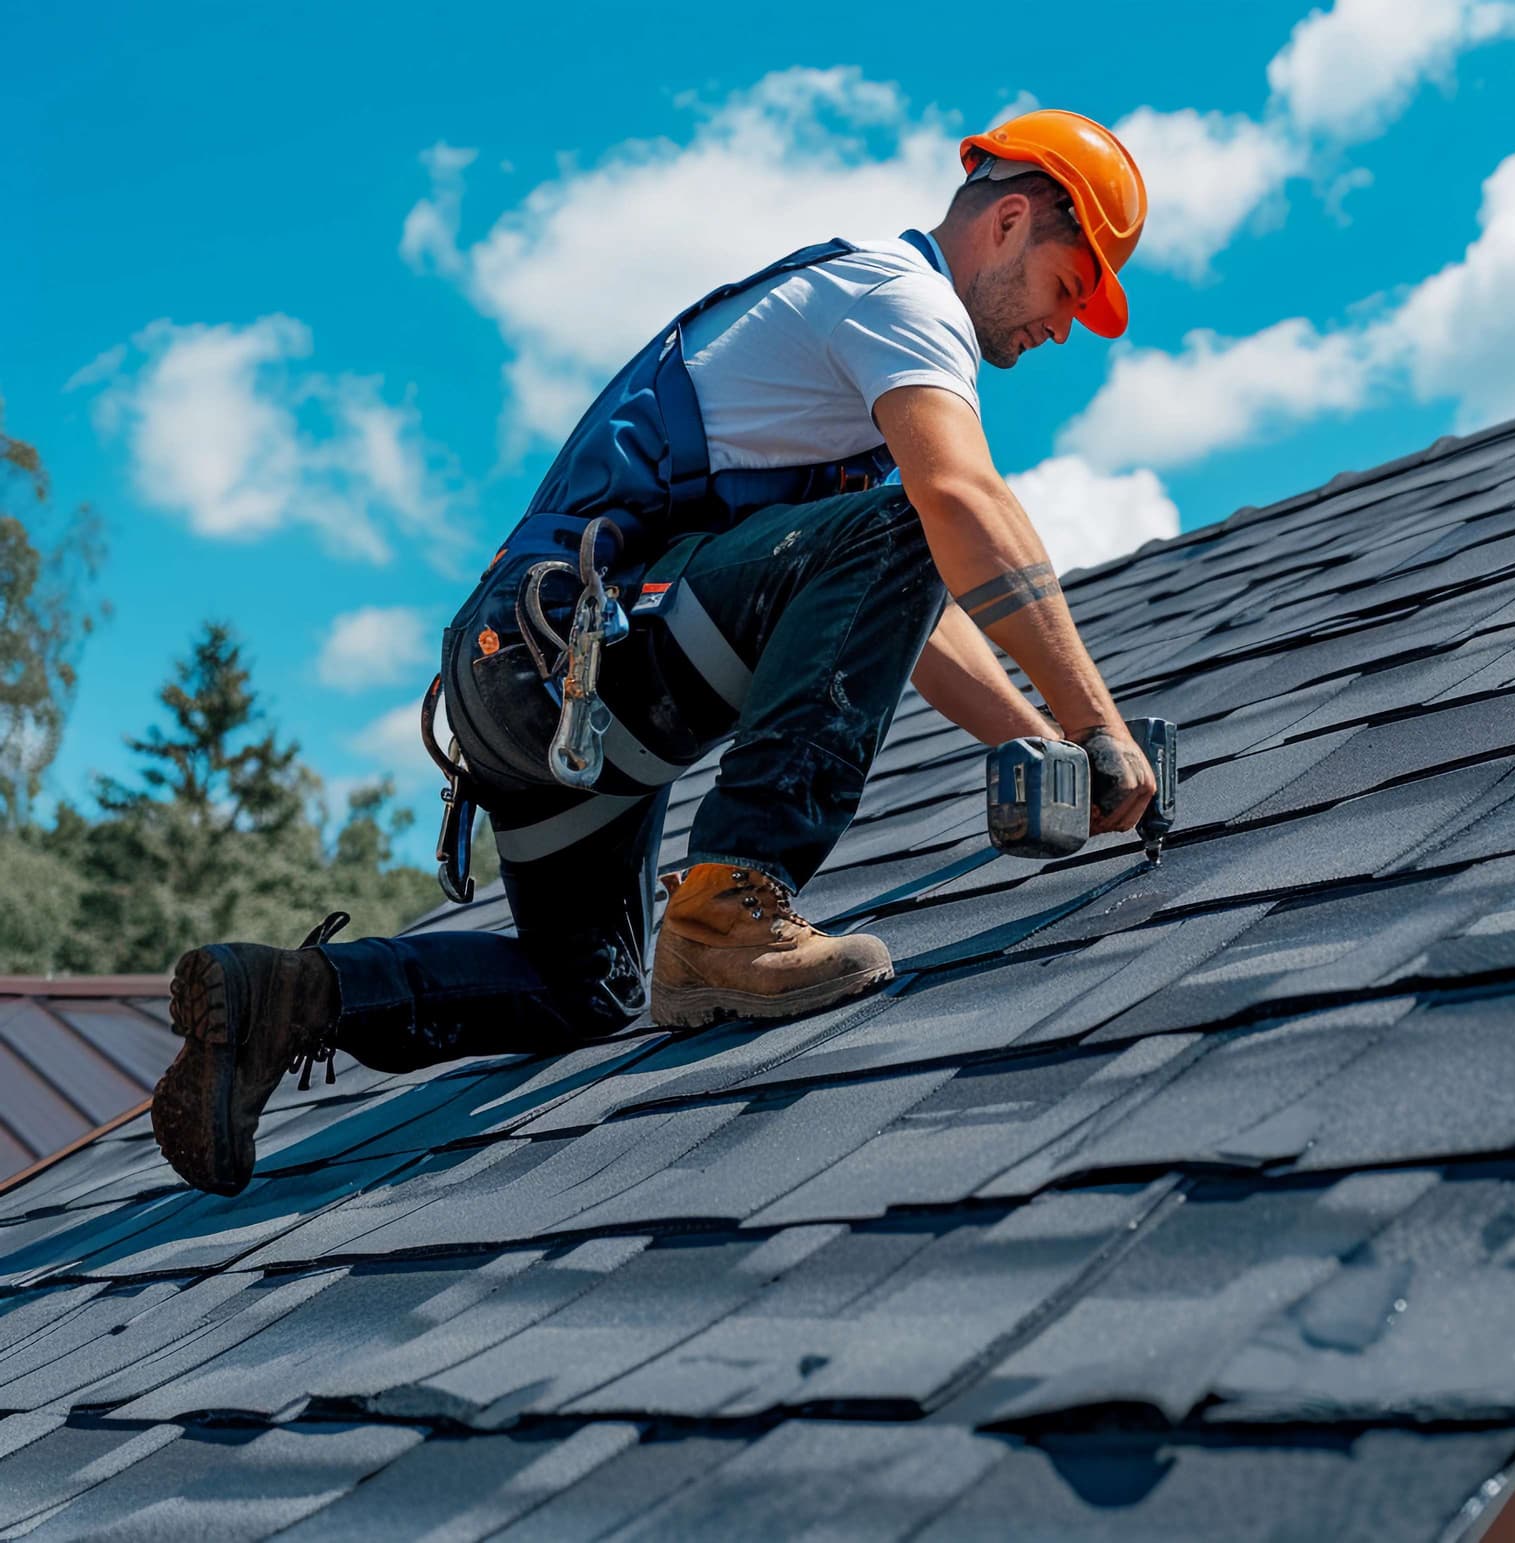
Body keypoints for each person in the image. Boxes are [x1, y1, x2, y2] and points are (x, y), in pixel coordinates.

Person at [151, 108, 1159, 1197]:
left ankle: (284, 1000)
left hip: (533, 692)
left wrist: (1057, 750)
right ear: (1009, 220)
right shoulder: (900, 301)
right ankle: (731, 902)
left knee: (585, 988)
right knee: (921, 517)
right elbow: (951, 509)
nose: (1060, 329)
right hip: (576, 660)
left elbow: (909, 614)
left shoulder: (843, 367)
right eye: (1068, 289)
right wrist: (1101, 722)